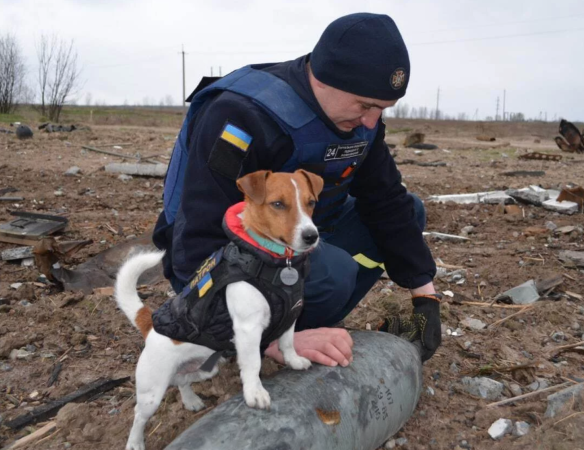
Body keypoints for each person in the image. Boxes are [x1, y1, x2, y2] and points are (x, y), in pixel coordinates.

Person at [153, 12, 441, 366]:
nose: (370, 121)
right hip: (220, 261)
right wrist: (270, 344)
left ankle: (306, 319)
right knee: (333, 273)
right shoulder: (242, 115)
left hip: (301, 234)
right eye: (365, 105)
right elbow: (198, 243)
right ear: (324, 79)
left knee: (409, 212)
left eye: (382, 110)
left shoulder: (362, 123)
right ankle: (264, 333)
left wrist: (426, 300)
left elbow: (386, 201)